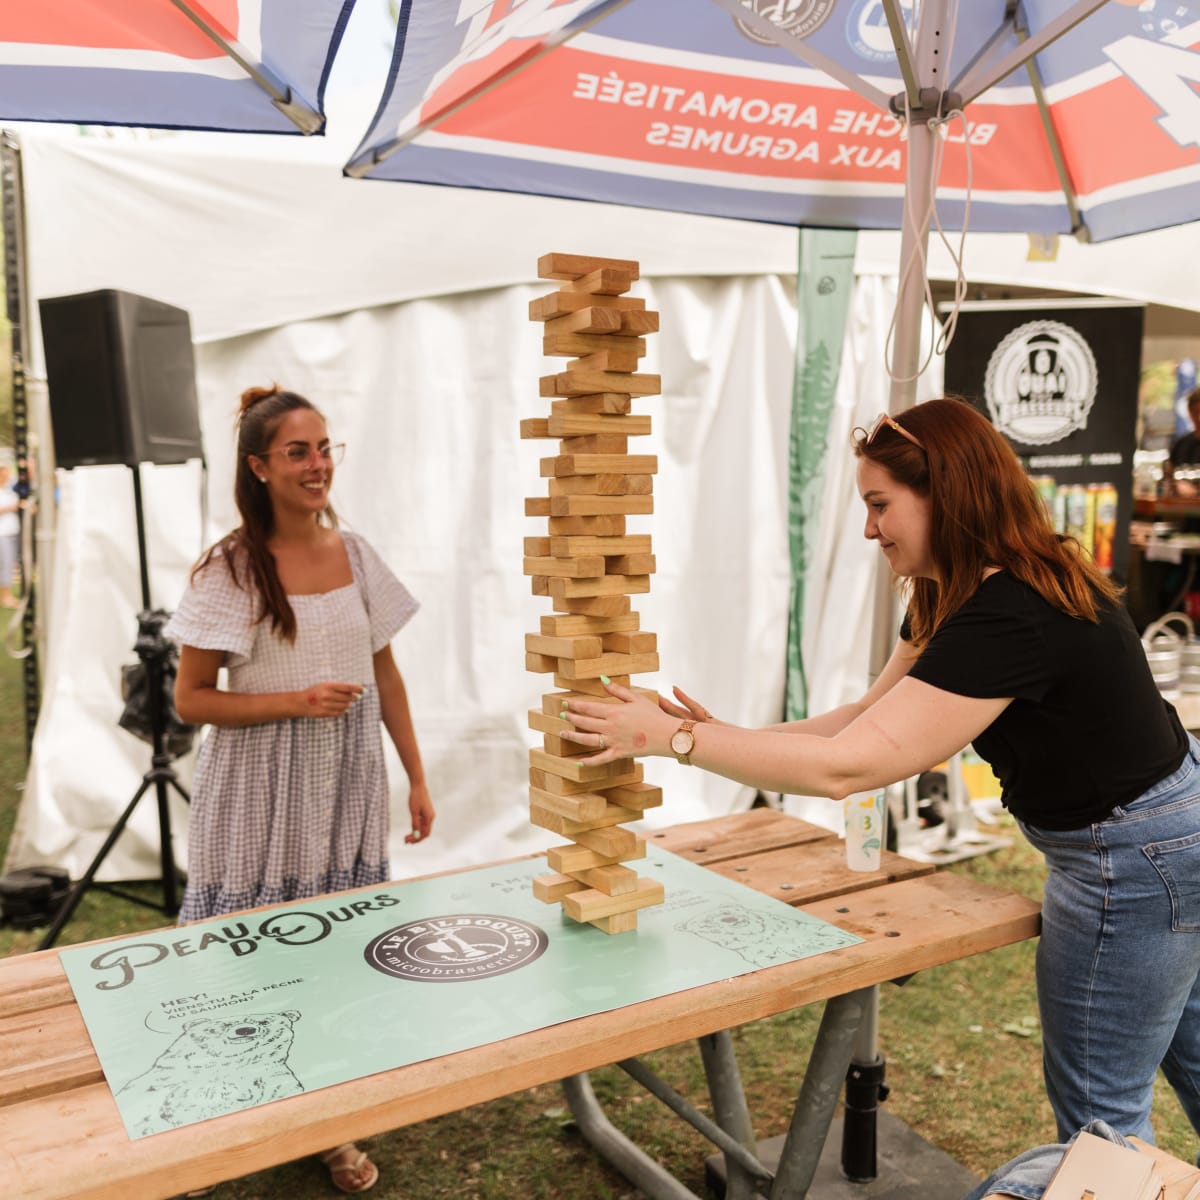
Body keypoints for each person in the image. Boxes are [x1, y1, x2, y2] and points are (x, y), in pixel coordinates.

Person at [561, 397, 1200, 1149]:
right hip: (1167, 835)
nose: (869, 529)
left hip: (1132, 860)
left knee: (1101, 1117)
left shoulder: (1010, 611)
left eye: (879, 505)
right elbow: (866, 719)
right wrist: (702, 733)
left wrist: (674, 741)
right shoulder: (962, 587)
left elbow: (851, 766)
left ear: (947, 494)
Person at [168, 385, 434, 1195]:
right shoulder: (232, 567)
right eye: (298, 452)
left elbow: (383, 671)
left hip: (346, 774)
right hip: (260, 780)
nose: (318, 465)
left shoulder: (354, 552)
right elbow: (190, 700)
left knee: (334, 947)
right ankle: (216, 1112)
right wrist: (296, 700)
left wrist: (416, 774)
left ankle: (329, 1119)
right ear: (259, 466)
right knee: (239, 948)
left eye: (325, 448)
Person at [1165, 385, 1200, 497]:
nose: (1199, 417)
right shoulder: (1181, 443)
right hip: (1179, 509)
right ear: (1189, 413)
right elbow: (1168, 477)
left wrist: (1195, 492)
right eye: (1195, 412)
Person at [0, 462, 21, 608]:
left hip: (12, 532)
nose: (7, 475)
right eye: (4, 472)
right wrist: (11, 507)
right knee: (5, 564)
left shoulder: (8, 491)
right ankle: (6, 597)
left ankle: (6, 595)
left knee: (9, 564)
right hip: (2, 533)